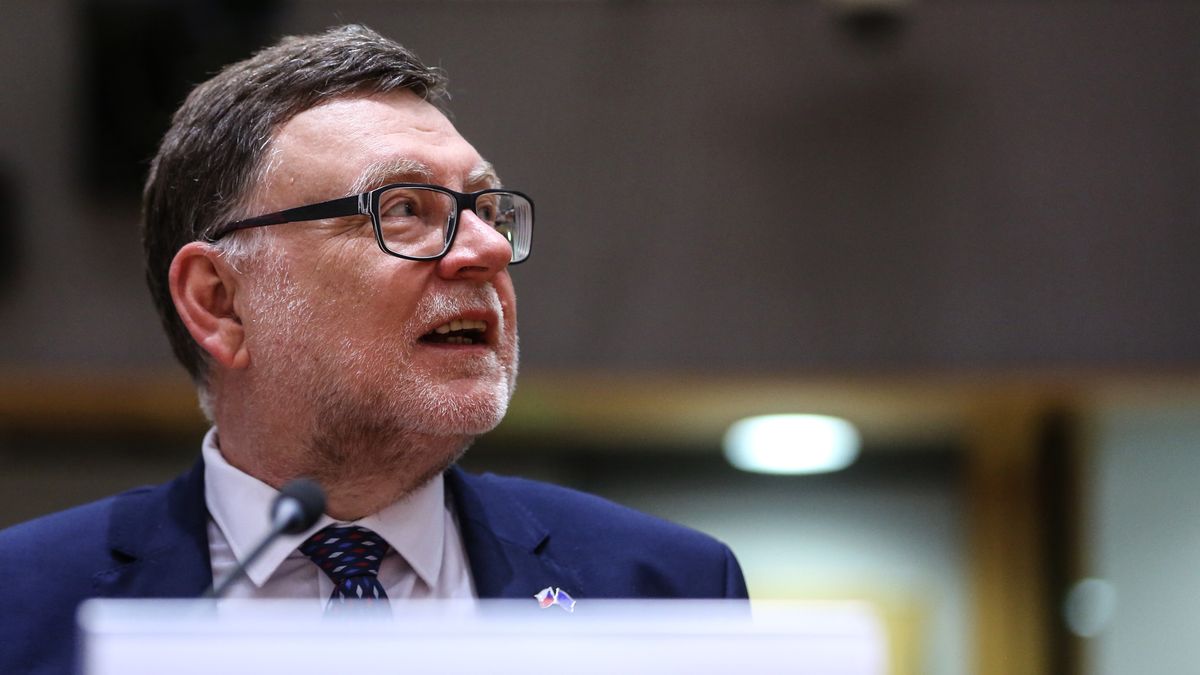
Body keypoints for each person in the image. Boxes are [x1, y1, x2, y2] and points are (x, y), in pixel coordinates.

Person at [0, 24, 747, 674]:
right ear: (219, 301)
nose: (484, 247)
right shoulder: (19, 606)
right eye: (401, 209)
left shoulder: (664, 590)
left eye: (486, 209)